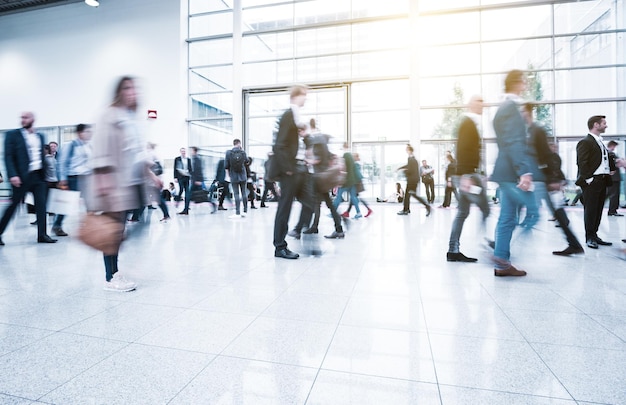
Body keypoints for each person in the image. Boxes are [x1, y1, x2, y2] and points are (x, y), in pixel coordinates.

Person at [86, 76, 159, 291]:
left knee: (127, 227)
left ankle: (114, 269)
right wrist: (103, 180)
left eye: (134, 88)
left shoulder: (131, 118)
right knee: (113, 230)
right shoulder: (108, 115)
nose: (132, 92)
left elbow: (137, 152)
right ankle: (111, 276)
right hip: (113, 183)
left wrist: (151, 175)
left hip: (131, 183)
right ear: (118, 91)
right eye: (127, 88)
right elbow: (100, 148)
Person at [522, 103, 583, 256]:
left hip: (542, 180)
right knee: (557, 211)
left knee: (533, 213)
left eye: (521, 111)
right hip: (539, 179)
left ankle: (505, 246)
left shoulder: (537, 130)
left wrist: (553, 179)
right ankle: (574, 243)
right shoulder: (529, 131)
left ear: (528, 112)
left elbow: (546, 155)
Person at [491, 69, 536, 277]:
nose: (526, 84)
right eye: (524, 81)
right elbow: (513, 142)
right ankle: (500, 256)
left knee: (507, 217)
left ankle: (502, 261)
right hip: (510, 171)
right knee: (533, 211)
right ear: (517, 83)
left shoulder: (504, 107)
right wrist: (524, 171)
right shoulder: (511, 107)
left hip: (506, 171)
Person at [0, 112, 57, 246]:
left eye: (26, 117)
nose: (23, 120)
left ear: (33, 119)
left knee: (42, 206)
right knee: (13, 206)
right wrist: (13, 174)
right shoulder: (12, 135)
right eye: (22, 118)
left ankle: (42, 235)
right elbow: (8, 157)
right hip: (21, 177)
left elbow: (42, 156)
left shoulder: (40, 136)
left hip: (38, 177)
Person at [270, 84, 312, 259]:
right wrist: (288, 169)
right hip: (291, 170)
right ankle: (280, 247)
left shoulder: (297, 116)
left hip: (299, 169)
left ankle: (297, 230)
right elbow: (279, 145)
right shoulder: (289, 114)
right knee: (284, 208)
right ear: (296, 96)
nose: (306, 98)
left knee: (310, 201)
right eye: (304, 95)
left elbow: (294, 143)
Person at [446, 95, 489, 262]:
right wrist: (466, 176)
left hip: (468, 174)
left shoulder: (472, 123)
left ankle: (453, 250)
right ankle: (485, 243)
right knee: (485, 209)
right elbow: (462, 149)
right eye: (479, 101)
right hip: (467, 176)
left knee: (462, 212)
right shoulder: (467, 123)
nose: (482, 103)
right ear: (471, 104)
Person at [576, 115, 615, 249]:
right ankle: (589, 237)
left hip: (602, 180)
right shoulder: (585, 142)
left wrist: (610, 168)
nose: (606, 125)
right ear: (596, 125)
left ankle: (595, 235)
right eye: (604, 123)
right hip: (593, 181)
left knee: (598, 210)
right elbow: (582, 162)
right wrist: (589, 180)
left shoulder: (600, 141)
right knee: (591, 210)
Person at [52, 123, 93, 236]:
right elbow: (62, 163)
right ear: (80, 133)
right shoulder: (71, 145)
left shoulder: (89, 146)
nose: (90, 134)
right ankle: (57, 225)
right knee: (68, 203)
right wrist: (63, 179)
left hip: (86, 178)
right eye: (87, 132)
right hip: (74, 177)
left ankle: (91, 226)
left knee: (90, 203)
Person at [397, 144, 431, 216]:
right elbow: (408, 166)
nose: (406, 151)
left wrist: (404, 172)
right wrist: (400, 168)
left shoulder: (411, 159)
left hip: (412, 181)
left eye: (407, 150)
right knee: (408, 195)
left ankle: (427, 206)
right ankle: (406, 209)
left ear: (410, 151)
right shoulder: (413, 159)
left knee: (412, 195)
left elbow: (410, 170)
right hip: (414, 180)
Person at [332, 143, 362, 218]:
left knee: (338, 196)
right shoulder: (350, 156)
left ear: (344, 147)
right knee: (353, 197)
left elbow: (343, 168)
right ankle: (359, 213)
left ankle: (333, 212)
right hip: (352, 180)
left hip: (346, 181)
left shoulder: (346, 156)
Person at [225, 139, 249, 218]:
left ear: (233, 143)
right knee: (244, 193)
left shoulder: (229, 153)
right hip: (243, 176)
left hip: (233, 176)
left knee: (236, 194)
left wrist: (228, 175)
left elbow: (226, 166)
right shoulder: (242, 152)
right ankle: (245, 211)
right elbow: (247, 161)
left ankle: (237, 212)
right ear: (239, 143)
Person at [606, 140, 623, 216]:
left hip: (615, 178)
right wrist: (620, 161)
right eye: (614, 146)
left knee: (615, 194)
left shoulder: (612, 153)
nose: (614, 148)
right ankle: (612, 211)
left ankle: (613, 210)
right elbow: (615, 163)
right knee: (614, 194)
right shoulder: (609, 153)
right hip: (613, 178)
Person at [173, 147, 192, 215]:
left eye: (184, 151)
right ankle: (177, 200)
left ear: (185, 152)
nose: (183, 152)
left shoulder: (188, 159)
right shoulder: (177, 159)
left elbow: (190, 169)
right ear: (180, 152)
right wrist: (175, 177)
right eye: (182, 151)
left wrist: (189, 173)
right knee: (181, 189)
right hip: (180, 177)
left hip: (187, 177)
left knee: (187, 193)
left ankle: (186, 209)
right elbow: (175, 168)